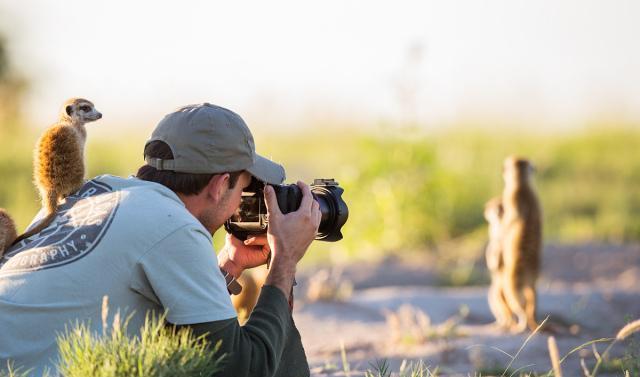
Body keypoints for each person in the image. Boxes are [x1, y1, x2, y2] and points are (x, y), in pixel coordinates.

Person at [0, 103, 320, 376]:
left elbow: (147, 319)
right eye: (242, 189)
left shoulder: (93, 192)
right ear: (220, 185)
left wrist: (228, 265)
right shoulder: (174, 225)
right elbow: (243, 368)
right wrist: (284, 262)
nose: (240, 203)